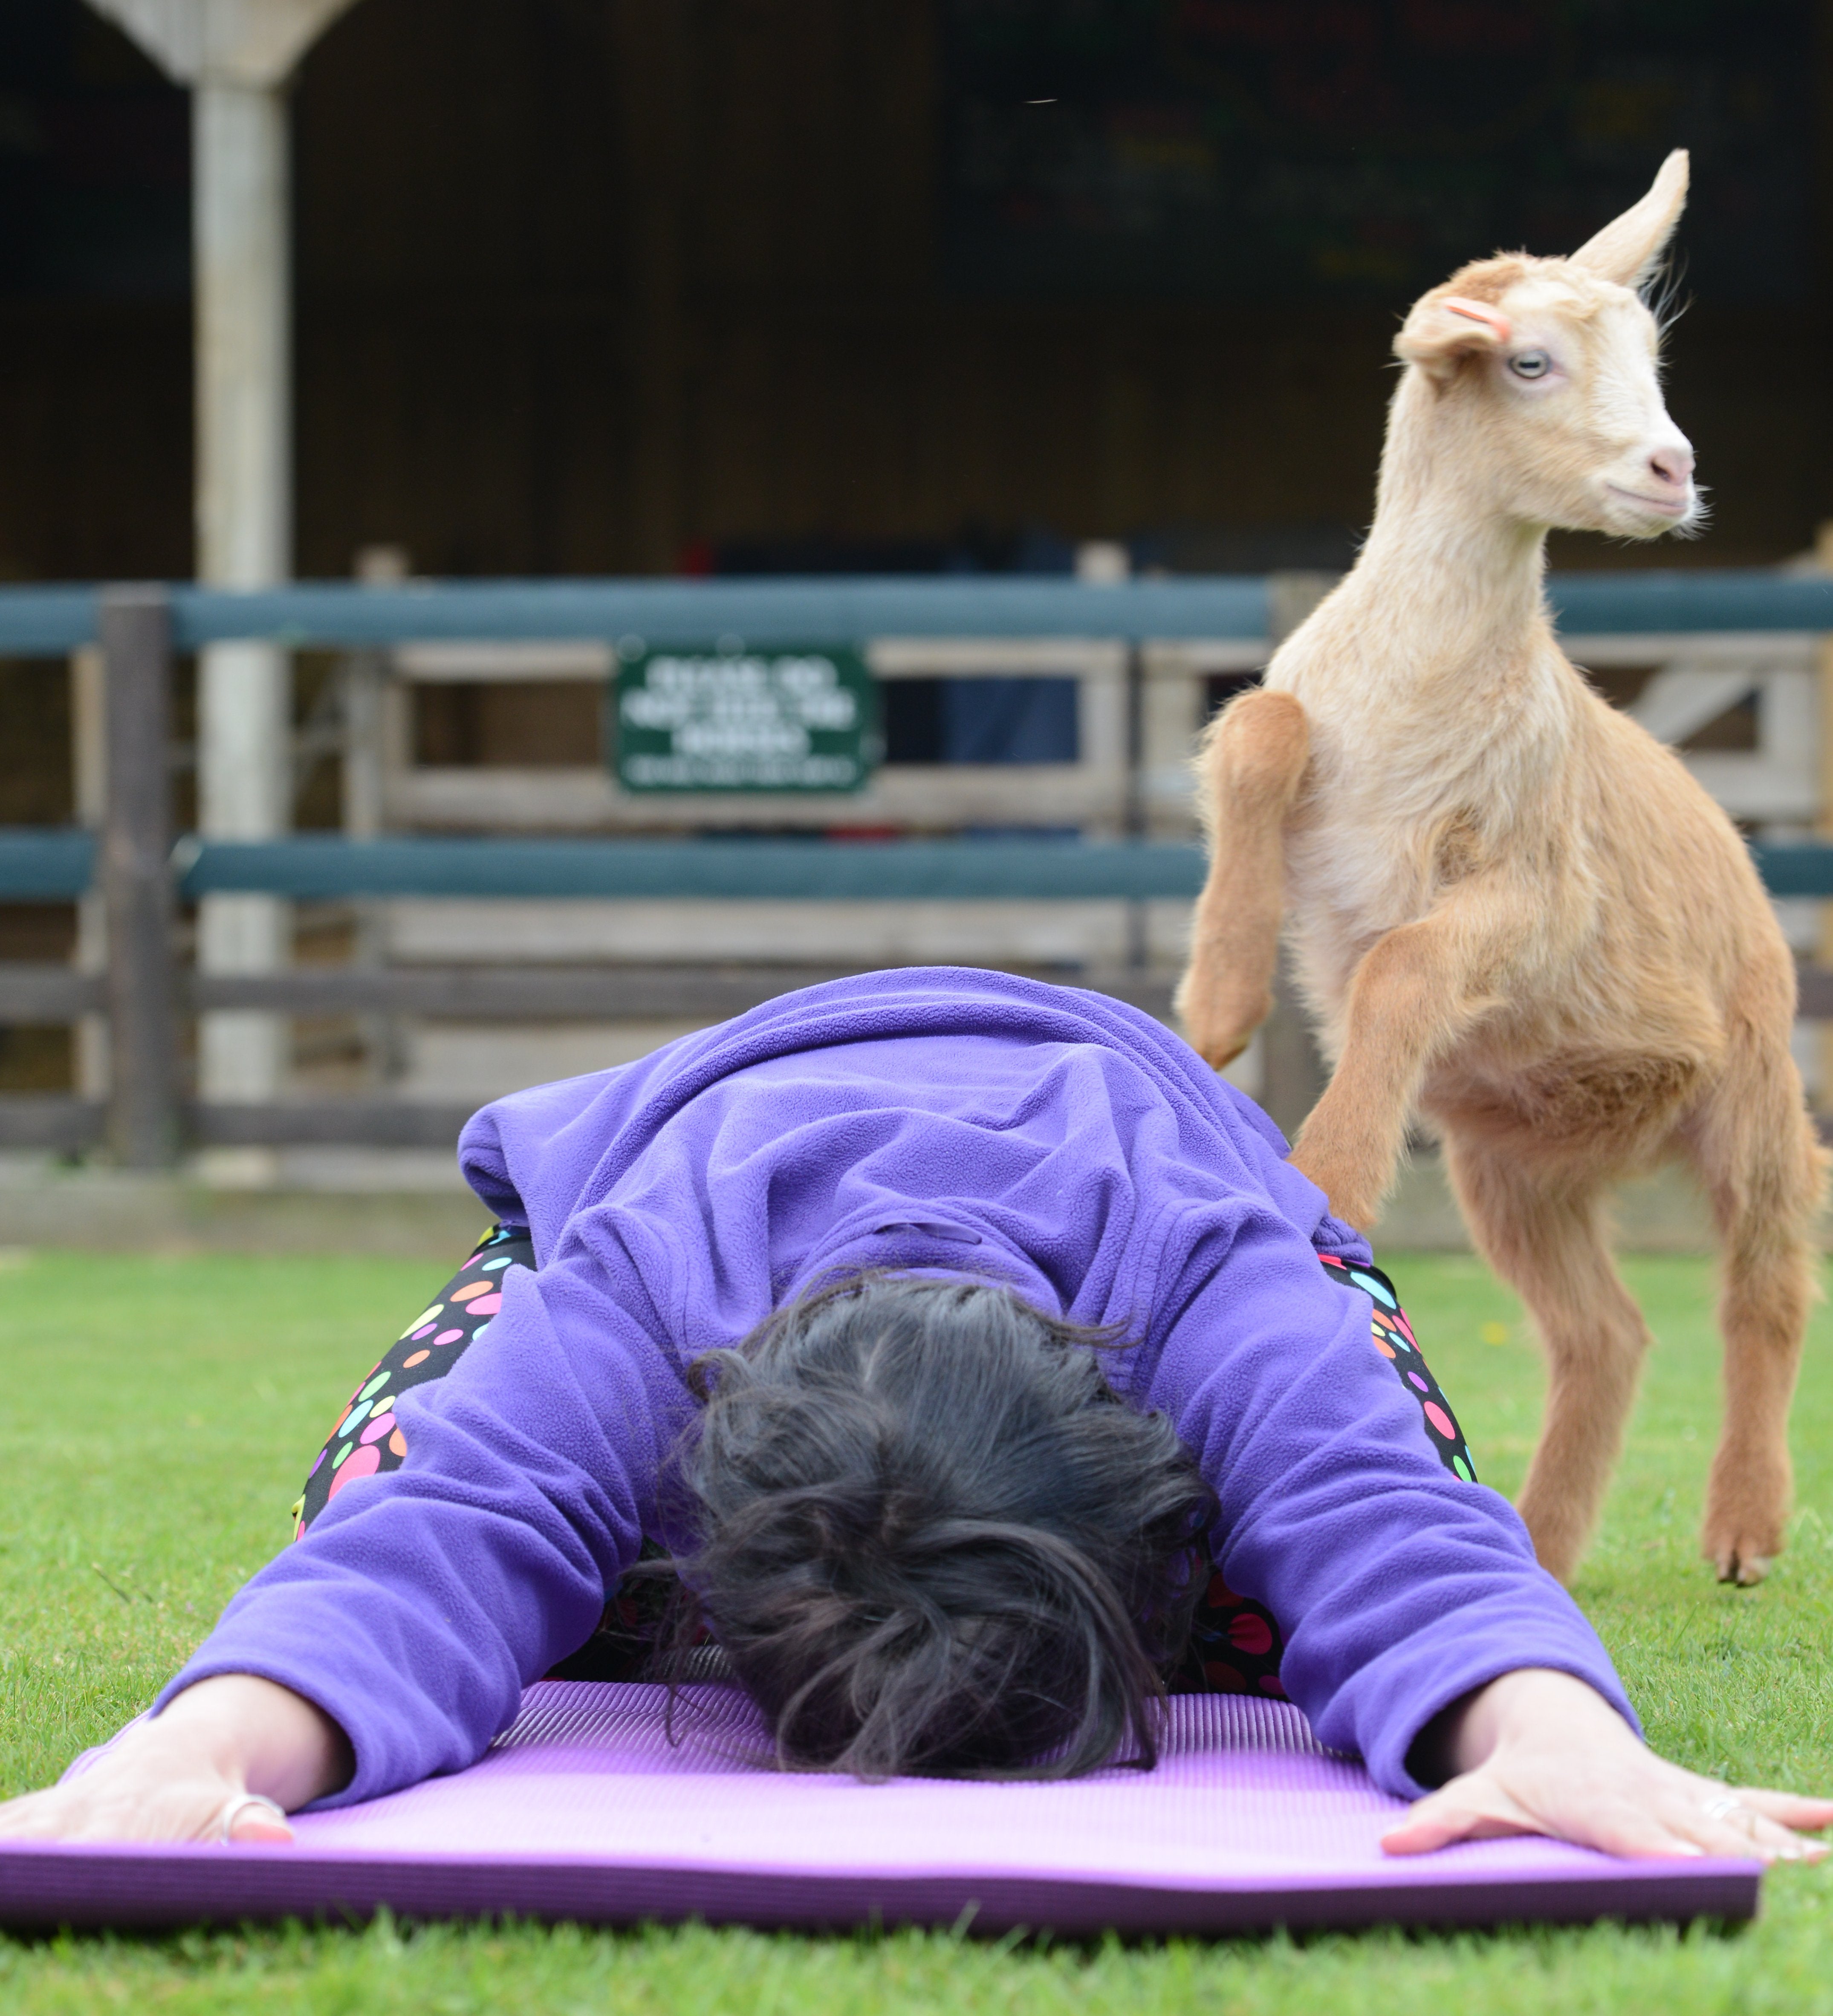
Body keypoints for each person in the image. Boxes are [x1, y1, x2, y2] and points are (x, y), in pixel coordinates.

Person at [1, 969, 1826, 1861]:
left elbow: (1378, 1511)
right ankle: (702, 1568)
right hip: (704, 1123)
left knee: (1329, 1465)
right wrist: (212, 1744)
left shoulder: (1190, 1266)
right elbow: (442, 1530)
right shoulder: (647, 1280)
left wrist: (1547, 1722)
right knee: (402, 1462)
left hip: (1117, 1119)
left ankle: (1152, 1571)